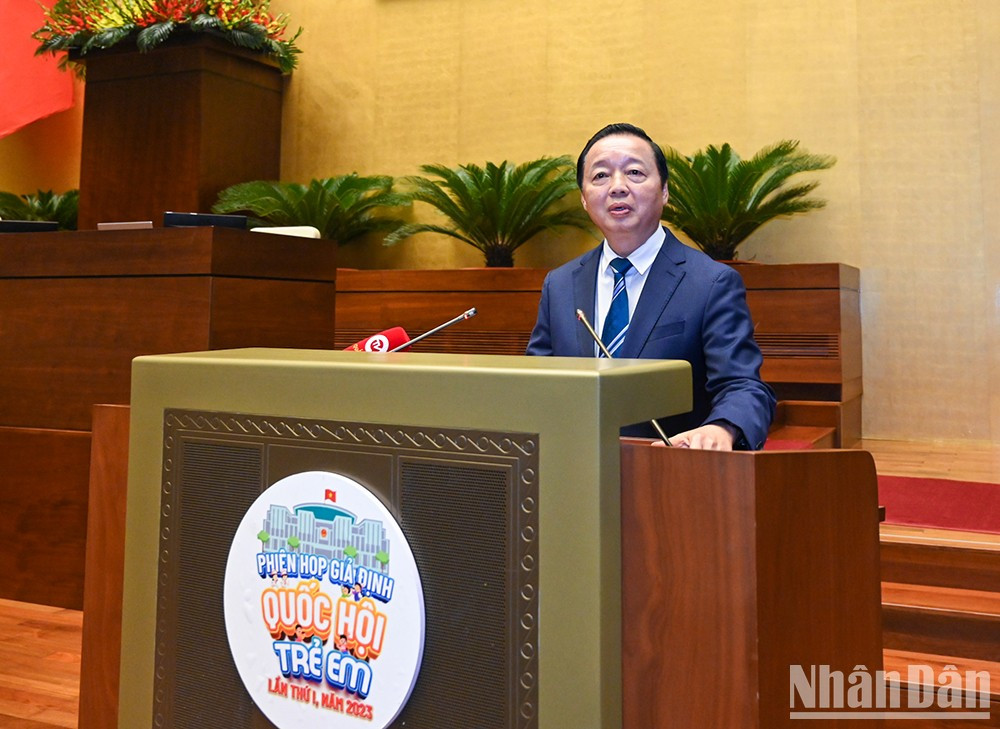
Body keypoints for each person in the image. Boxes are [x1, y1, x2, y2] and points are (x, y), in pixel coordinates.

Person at [526, 122, 775, 450]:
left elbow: (744, 387)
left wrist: (721, 429)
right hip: (571, 470)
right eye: (600, 176)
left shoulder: (710, 283)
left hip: (667, 477)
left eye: (634, 173)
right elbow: (534, 385)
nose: (617, 186)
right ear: (585, 200)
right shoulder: (559, 285)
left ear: (665, 191)